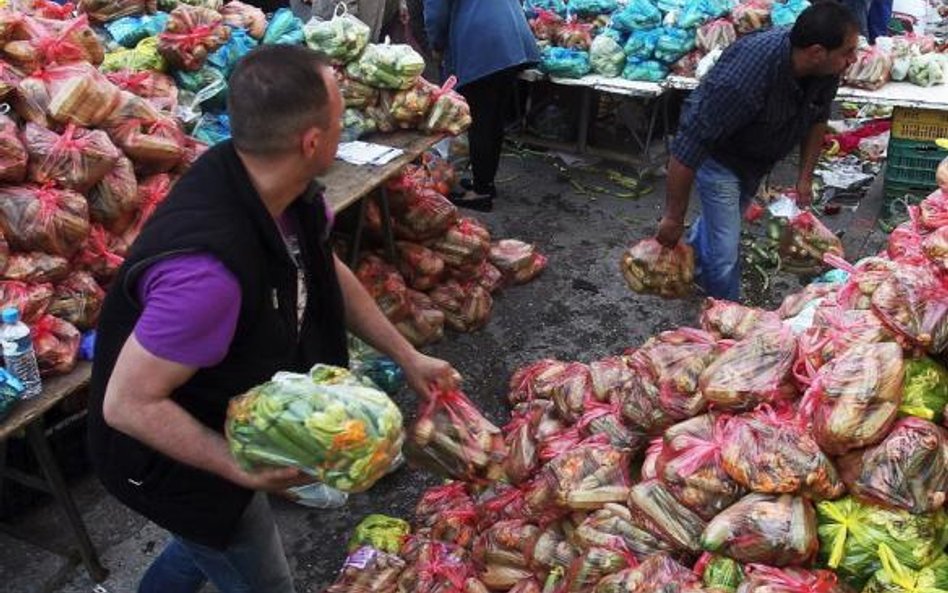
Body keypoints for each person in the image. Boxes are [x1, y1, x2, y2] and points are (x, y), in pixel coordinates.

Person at [87, 45, 461, 593]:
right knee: (251, 562)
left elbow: (323, 269)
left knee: (202, 545)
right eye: (340, 118)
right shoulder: (208, 275)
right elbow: (128, 405)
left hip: (219, 412)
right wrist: (235, 466)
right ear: (313, 142)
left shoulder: (283, 193)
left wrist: (406, 356)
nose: (346, 127)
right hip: (164, 456)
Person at [655, 1, 860, 301]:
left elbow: (818, 117)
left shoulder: (825, 69)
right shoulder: (744, 77)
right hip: (719, 158)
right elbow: (689, 145)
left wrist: (804, 178)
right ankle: (724, 320)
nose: (853, 59)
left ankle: (695, 274)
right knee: (725, 251)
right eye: (848, 52)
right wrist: (673, 217)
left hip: (755, 159)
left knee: (719, 228)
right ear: (817, 52)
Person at [424, 0, 540, 212]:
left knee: (482, 122)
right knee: (493, 118)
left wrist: (436, 46)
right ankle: (485, 182)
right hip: (510, 38)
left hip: (483, 42)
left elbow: (436, 13)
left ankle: (481, 192)